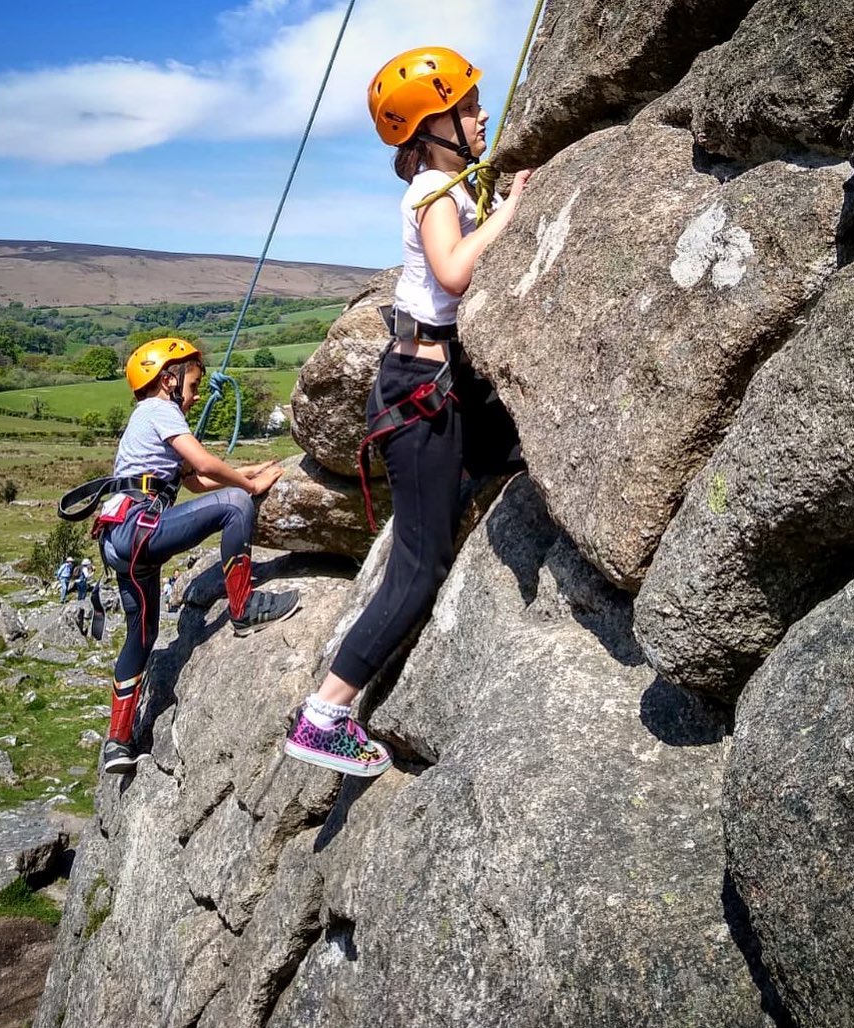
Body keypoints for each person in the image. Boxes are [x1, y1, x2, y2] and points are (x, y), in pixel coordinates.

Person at [284, 47, 531, 777]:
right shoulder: (432, 188)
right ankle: (324, 715)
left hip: (434, 381)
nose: (482, 115)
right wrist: (512, 213)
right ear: (433, 127)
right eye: (468, 107)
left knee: (495, 456)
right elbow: (454, 273)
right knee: (418, 570)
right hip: (419, 393)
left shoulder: (444, 180)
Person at [95, 337, 300, 773]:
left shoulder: (146, 418)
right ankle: (244, 609)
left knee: (142, 635)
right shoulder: (160, 410)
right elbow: (206, 469)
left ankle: (117, 741)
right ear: (167, 380)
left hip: (121, 540)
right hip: (139, 530)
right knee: (236, 505)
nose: (196, 392)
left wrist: (245, 471)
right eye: (192, 382)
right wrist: (247, 488)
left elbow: (192, 481)